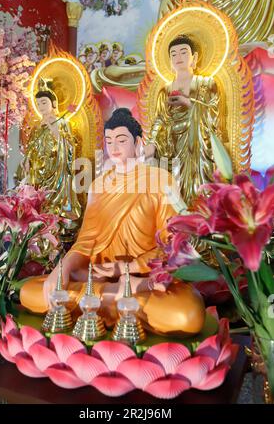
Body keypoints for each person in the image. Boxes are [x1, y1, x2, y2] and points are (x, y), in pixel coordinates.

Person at [20, 108, 205, 336]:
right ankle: (116, 301)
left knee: (187, 314)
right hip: (101, 278)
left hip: (147, 282)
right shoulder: (98, 186)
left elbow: (174, 246)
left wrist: (128, 269)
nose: (114, 148)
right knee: (30, 291)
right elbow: (85, 243)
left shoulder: (160, 180)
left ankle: (98, 303)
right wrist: (62, 269)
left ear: (138, 142)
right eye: (109, 141)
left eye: (121, 140)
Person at [144, 35, 219, 206]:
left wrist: (189, 103)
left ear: (195, 57)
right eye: (174, 54)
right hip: (172, 145)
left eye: (184, 53)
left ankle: (202, 218)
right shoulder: (165, 90)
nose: (178, 57)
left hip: (198, 146)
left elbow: (213, 113)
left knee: (200, 187)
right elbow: (160, 119)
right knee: (173, 186)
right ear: (170, 60)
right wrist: (152, 142)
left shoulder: (206, 84)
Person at [17, 78, 82, 240]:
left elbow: (69, 145)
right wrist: (26, 160)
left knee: (54, 195)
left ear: (53, 104)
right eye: (38, 104)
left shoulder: (62, 122)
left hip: (56, 168)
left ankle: (56, 221)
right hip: (39, 168)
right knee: (38, 196)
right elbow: (31, 147)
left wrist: (54, 128)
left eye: (44, 103)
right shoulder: (37, 126)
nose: (41, 107)